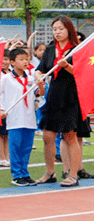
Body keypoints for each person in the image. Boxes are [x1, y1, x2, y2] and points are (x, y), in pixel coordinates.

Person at [35, 16, 87, 186]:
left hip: (70, 96)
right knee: (47, 136)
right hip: (53, 96)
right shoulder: (50, 50)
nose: (57, 32)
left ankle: (73, 174)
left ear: (69, 30)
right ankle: (50, 173)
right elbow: (40, 69)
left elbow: (82, 74)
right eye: (54, 29)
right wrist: (39, 77)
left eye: (61, 29)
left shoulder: (77, 49)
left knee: (70, 135)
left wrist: (66, 66)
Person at [3, 46, 43, 186]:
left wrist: (41, 85)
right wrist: (2, 109)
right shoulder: (6, 78)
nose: (25, 62)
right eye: (21, 59)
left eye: (27, 59)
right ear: (12, 62)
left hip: (29, 118)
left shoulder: (31, 78)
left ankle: (25, 173)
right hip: (15, 118)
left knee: (26, 147)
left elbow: (39, 93)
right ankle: (17, 175)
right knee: (15, 147)